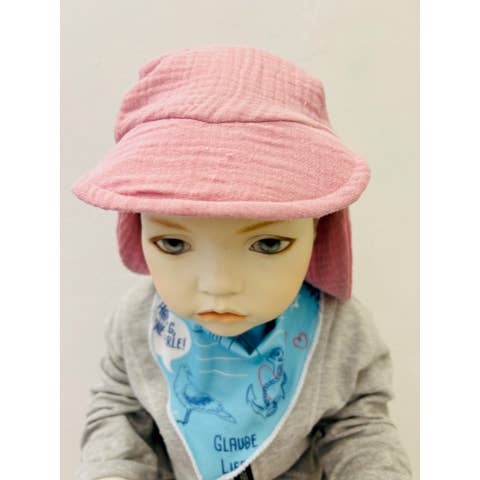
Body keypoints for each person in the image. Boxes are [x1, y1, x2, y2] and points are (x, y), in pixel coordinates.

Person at [71, 45, 412, 480]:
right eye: (173, 243)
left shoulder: (340, 329)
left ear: (319, 230)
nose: (218, 284)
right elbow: (119, 413)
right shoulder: (138, 323)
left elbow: (359, 427)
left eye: (267, 244)